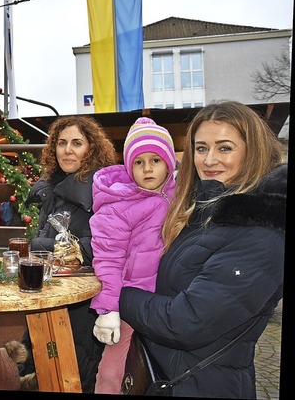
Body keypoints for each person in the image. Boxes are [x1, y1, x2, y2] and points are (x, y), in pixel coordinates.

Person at [119, 101, 285, 398]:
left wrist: (117, 295)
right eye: (200, 148)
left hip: (203, 385)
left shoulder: (261, 230)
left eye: (224, 148)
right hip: (169, 374)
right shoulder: (204, 210)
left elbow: (185, 322)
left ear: (253, 151)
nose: (209, 160)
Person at [21, 115, 119, 393]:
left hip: (83, 303)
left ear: (92, 148)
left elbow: (103, 244)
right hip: (51, 294)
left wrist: (40, 247)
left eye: (77, 143)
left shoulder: (103, 190)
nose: (68, 150)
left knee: (74, 375)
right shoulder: (54, 188)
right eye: (62, 143)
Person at [89, 117, 177, 394]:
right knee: (114, 357)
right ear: (129, 167)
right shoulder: (118, 204)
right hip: (131, 294)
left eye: (156, 160)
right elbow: (108, 259)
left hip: (168, 296)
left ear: (169, 164)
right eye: (139, 162)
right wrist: (108, 309)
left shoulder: (180, 195)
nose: (147, 168)